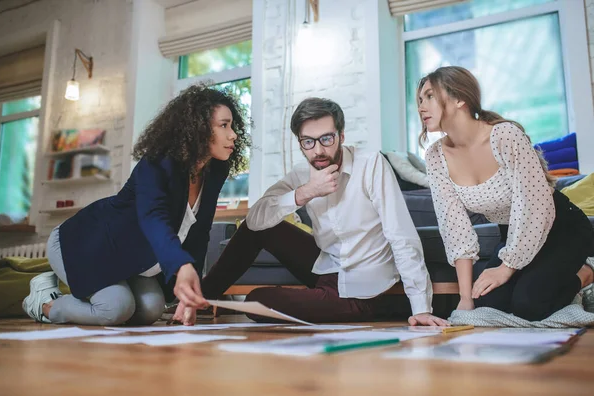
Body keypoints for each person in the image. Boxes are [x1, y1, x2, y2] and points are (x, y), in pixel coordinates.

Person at [184, 97, 448, 326]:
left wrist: (421, 308)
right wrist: (305, 192)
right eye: (308, 142)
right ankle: (199, 299)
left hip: (360, 288)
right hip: (325, 267)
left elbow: (401, 234)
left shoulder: (371, 165)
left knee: (257, 301)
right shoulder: (302, 173)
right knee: (259, 227)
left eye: (326, 139)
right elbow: (255, 220)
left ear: (341, 136)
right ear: (300, 143)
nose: (319, 150)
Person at [22, 84, 250, 326]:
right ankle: (44, 303)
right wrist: (181, 266)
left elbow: (200, 232)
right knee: (116, 309)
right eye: (224, 125)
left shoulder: (214, 170)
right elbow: (153, 217)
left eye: (232, 126)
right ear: (198, 128)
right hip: (86, 245)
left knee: (152, 310)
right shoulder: (158, 161)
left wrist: (187, 293)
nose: (233, 134)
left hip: (131, 259)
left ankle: (96, 293)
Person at [417, 66, 594, 321]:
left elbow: (535, 208)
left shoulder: (505, 135)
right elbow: (454, 228)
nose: (422, 106)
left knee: (529, 305)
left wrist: (507, 268)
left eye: (430, 96)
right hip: (512, 233)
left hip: (558, 226)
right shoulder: (435, 157)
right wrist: (466, 300)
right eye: (420, 99)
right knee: (486, 305)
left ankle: (586, 272)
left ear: (459, 99)